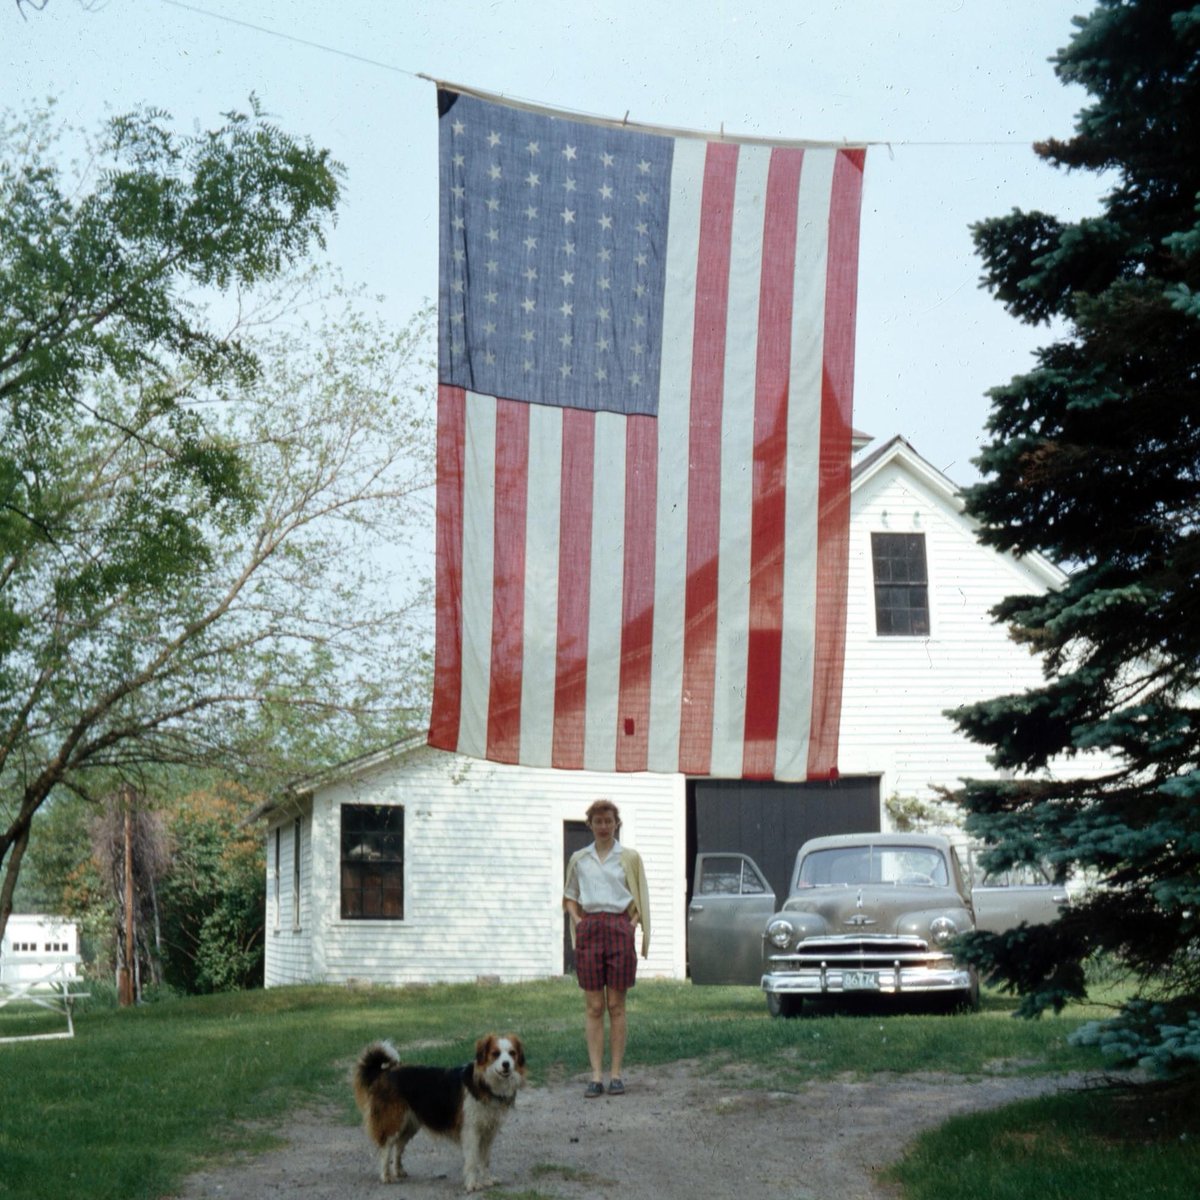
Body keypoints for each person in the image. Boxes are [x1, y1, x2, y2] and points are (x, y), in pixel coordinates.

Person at [562, 798, 650, 1098]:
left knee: (616, 1005)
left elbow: (640, 898)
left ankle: (616, 1075)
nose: (603, 827)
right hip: (590, 928)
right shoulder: (579, 859)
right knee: (594, 1006)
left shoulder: (629, 858)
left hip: (618, 927)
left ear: (616, 824)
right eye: (598, 822)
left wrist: (631, 924)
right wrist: (578, 920)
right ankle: (595, 1076)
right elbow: (570, 896)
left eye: (608, 821)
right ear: (590, 825)